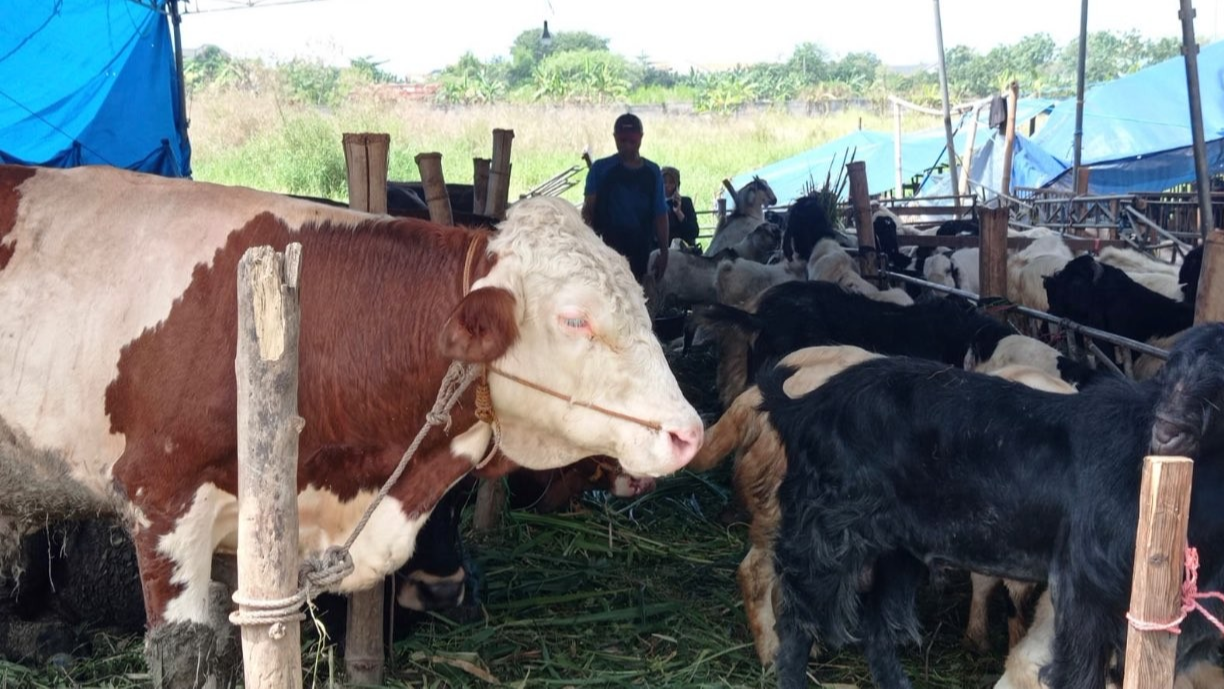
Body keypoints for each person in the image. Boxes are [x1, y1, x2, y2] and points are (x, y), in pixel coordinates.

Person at [582, 113, 668, 283]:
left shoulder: (652, 172)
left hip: (641, 251)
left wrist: (664, 252)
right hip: (606, 251)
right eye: (622, 141)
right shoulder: (600, 169)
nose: (627, 146)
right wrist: (589, 249)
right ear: (615, 138)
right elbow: (588, 212)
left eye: (632, 141)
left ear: (641, 139)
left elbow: (660, 215)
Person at [661, 166, 699, 249]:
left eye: (671, 182)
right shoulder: (655, 205)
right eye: (664, 182)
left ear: (677, 185)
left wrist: (679, 213)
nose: (667, 185)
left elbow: (694, 232)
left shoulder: (686, 203)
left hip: (683, 251)